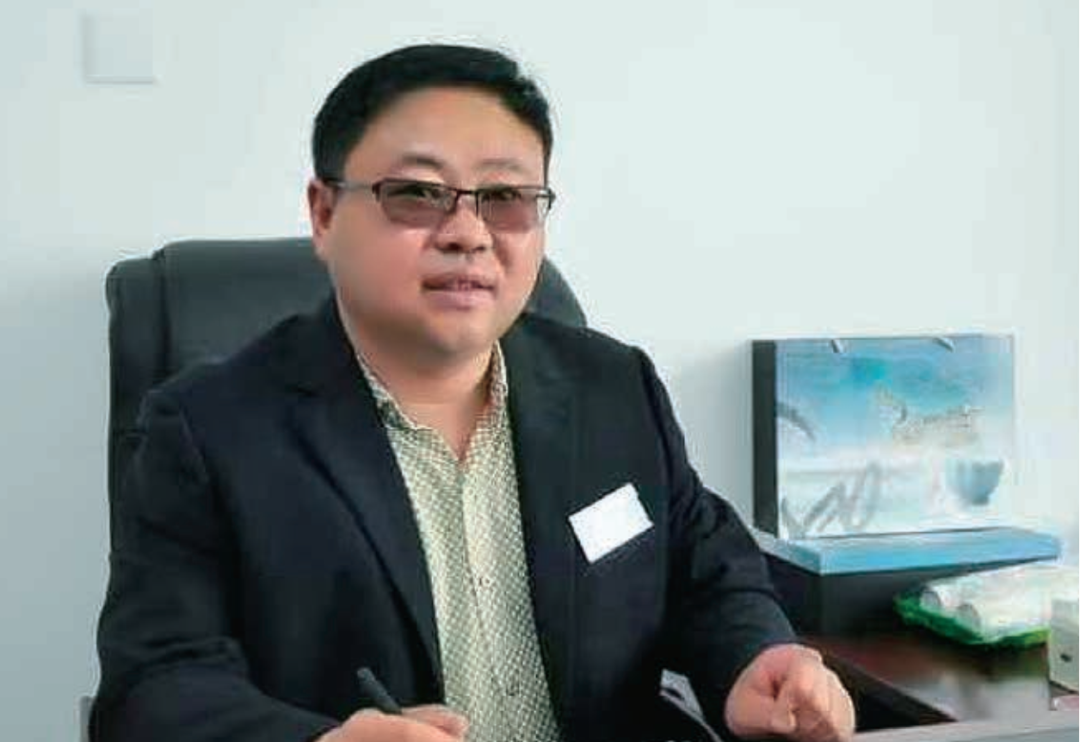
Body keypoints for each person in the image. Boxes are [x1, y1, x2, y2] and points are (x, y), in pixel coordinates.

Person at [93, 44, 855, 742]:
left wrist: (758, 660)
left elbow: (711, 577)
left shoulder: (613, 389)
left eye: (506, 197)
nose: (468, 232)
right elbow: (154, 688)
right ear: (324, 214)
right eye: (417, 193)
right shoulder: (211, 430)